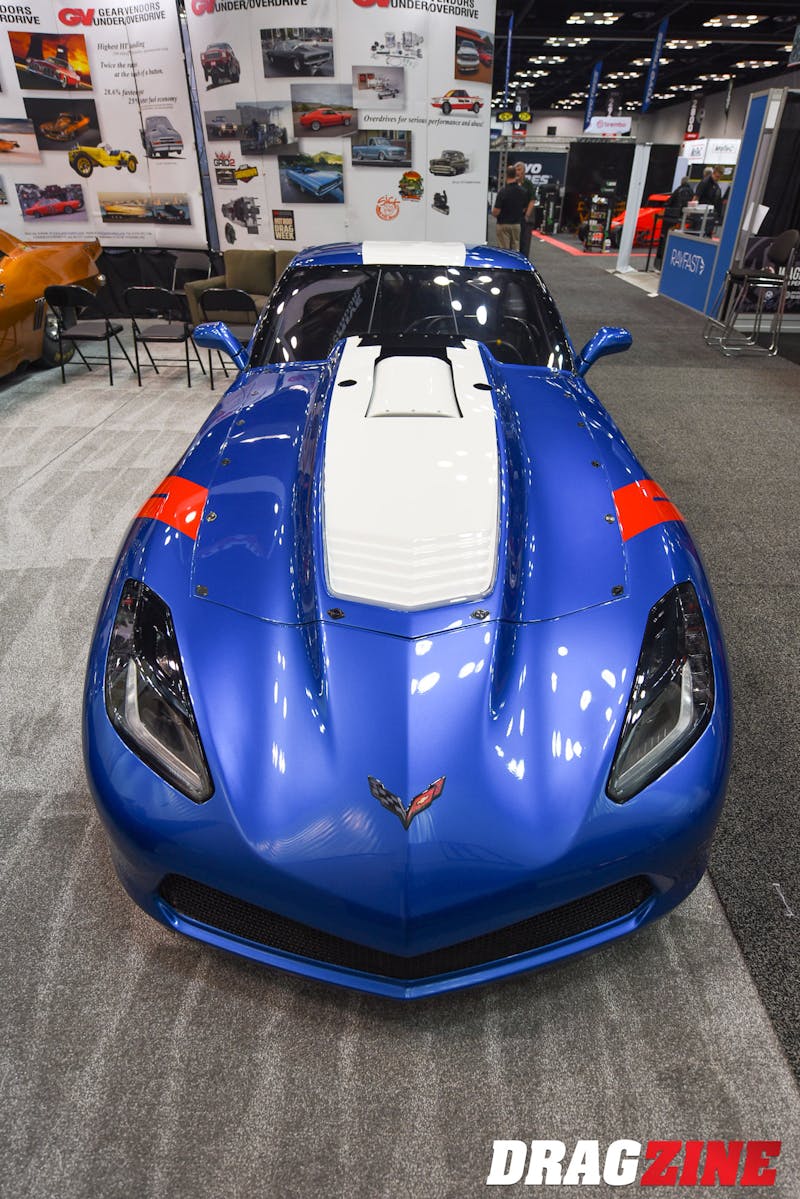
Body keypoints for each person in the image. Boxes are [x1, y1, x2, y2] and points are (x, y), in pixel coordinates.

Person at [655, 176, 695, 268]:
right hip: (684, 218)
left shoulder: (678, 190)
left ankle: (662, 258)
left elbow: (669, 202)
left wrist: (665, 206)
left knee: (666, 237)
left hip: (672, 217)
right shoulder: (691, 192)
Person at [492, 166, 530, 252]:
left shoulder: (503, 192)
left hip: (503, 224)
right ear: (515, 175)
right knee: (515, 250)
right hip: (516, 225)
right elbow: (524, 208)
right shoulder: (523, 191)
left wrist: (494, 214)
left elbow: (496, 211)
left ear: (506, 175)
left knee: (504, 251)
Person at [514, 161, 535, 256]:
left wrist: (527, 215)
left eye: (519, 169)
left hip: (524, 217)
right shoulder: (512, 183)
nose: (517, 172)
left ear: (524, 172)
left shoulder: (528, 184)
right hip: (514, 217)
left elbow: (532, 200)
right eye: (516, 170)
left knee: (524, 241)